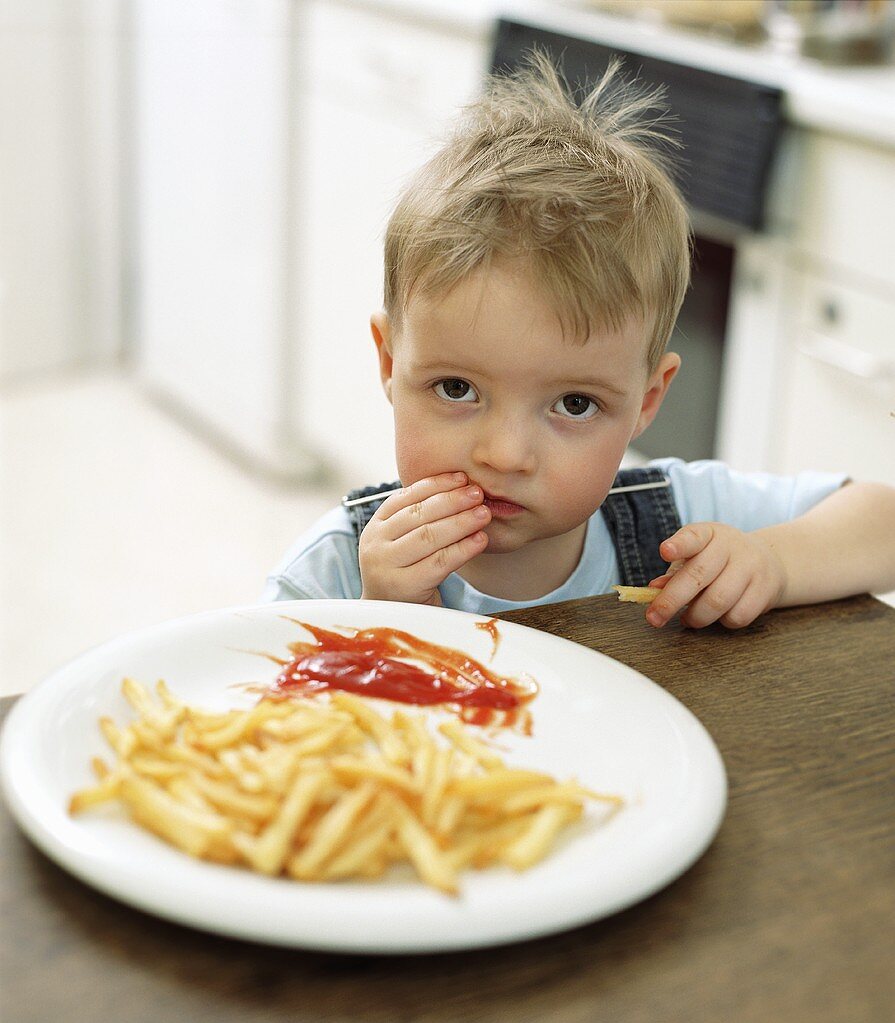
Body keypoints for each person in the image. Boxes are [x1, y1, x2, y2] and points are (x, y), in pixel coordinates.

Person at [264, 53, 895, 629]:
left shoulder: (675, 514)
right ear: (390, 362)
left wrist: (771, 561)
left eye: (574, 404)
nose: (507, 456)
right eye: (457, 389)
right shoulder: (331, 574)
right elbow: (257, 723)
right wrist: (378, 627)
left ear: (647, 400)